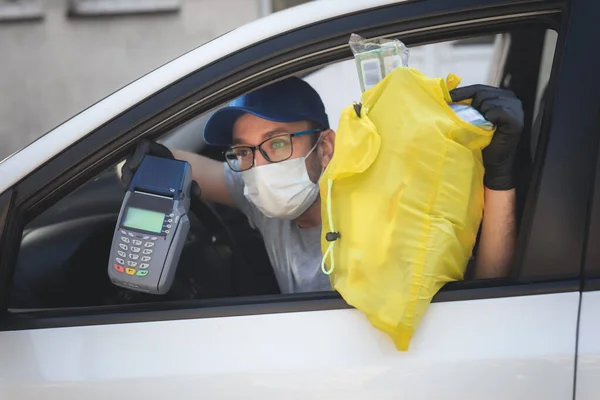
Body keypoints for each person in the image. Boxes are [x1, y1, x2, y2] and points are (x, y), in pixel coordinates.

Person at [122, 77, 524, 293]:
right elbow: (192, 169)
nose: (259, 167)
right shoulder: (260, 200)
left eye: (278, 143)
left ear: (325, 146)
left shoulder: (381, 204)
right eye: (244, 151)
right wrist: (144, 160)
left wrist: (500, 177)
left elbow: (486, 293)